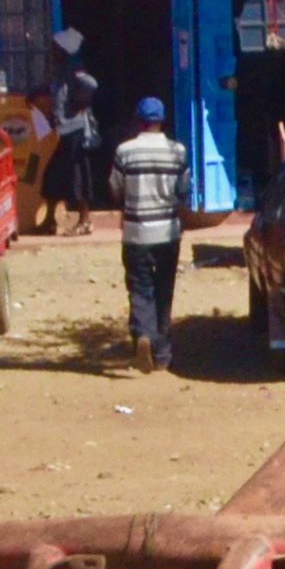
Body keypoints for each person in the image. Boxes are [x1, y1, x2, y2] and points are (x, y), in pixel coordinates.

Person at [110, 97, 193, 373]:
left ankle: (143, 335)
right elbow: (183, 192)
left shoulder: (125, 151)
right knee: (163, 289)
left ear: (138, 120)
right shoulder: (177, 152)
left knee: (140, 287)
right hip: (168, 232)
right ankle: (163, 354)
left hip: (136, 233)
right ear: (162, 120)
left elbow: (115, 190)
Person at [41, 28, 99, 237]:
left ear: (64, 50)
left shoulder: (74, 70)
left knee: (78, 178)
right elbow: (54, 91)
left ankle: (85, 221)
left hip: (76, 131)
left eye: (55, 48)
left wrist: (80, 101)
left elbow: (91, 84)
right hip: (65, 132)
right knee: (52, 175)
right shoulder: (60, 71)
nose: (52, 52)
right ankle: (50, 220)